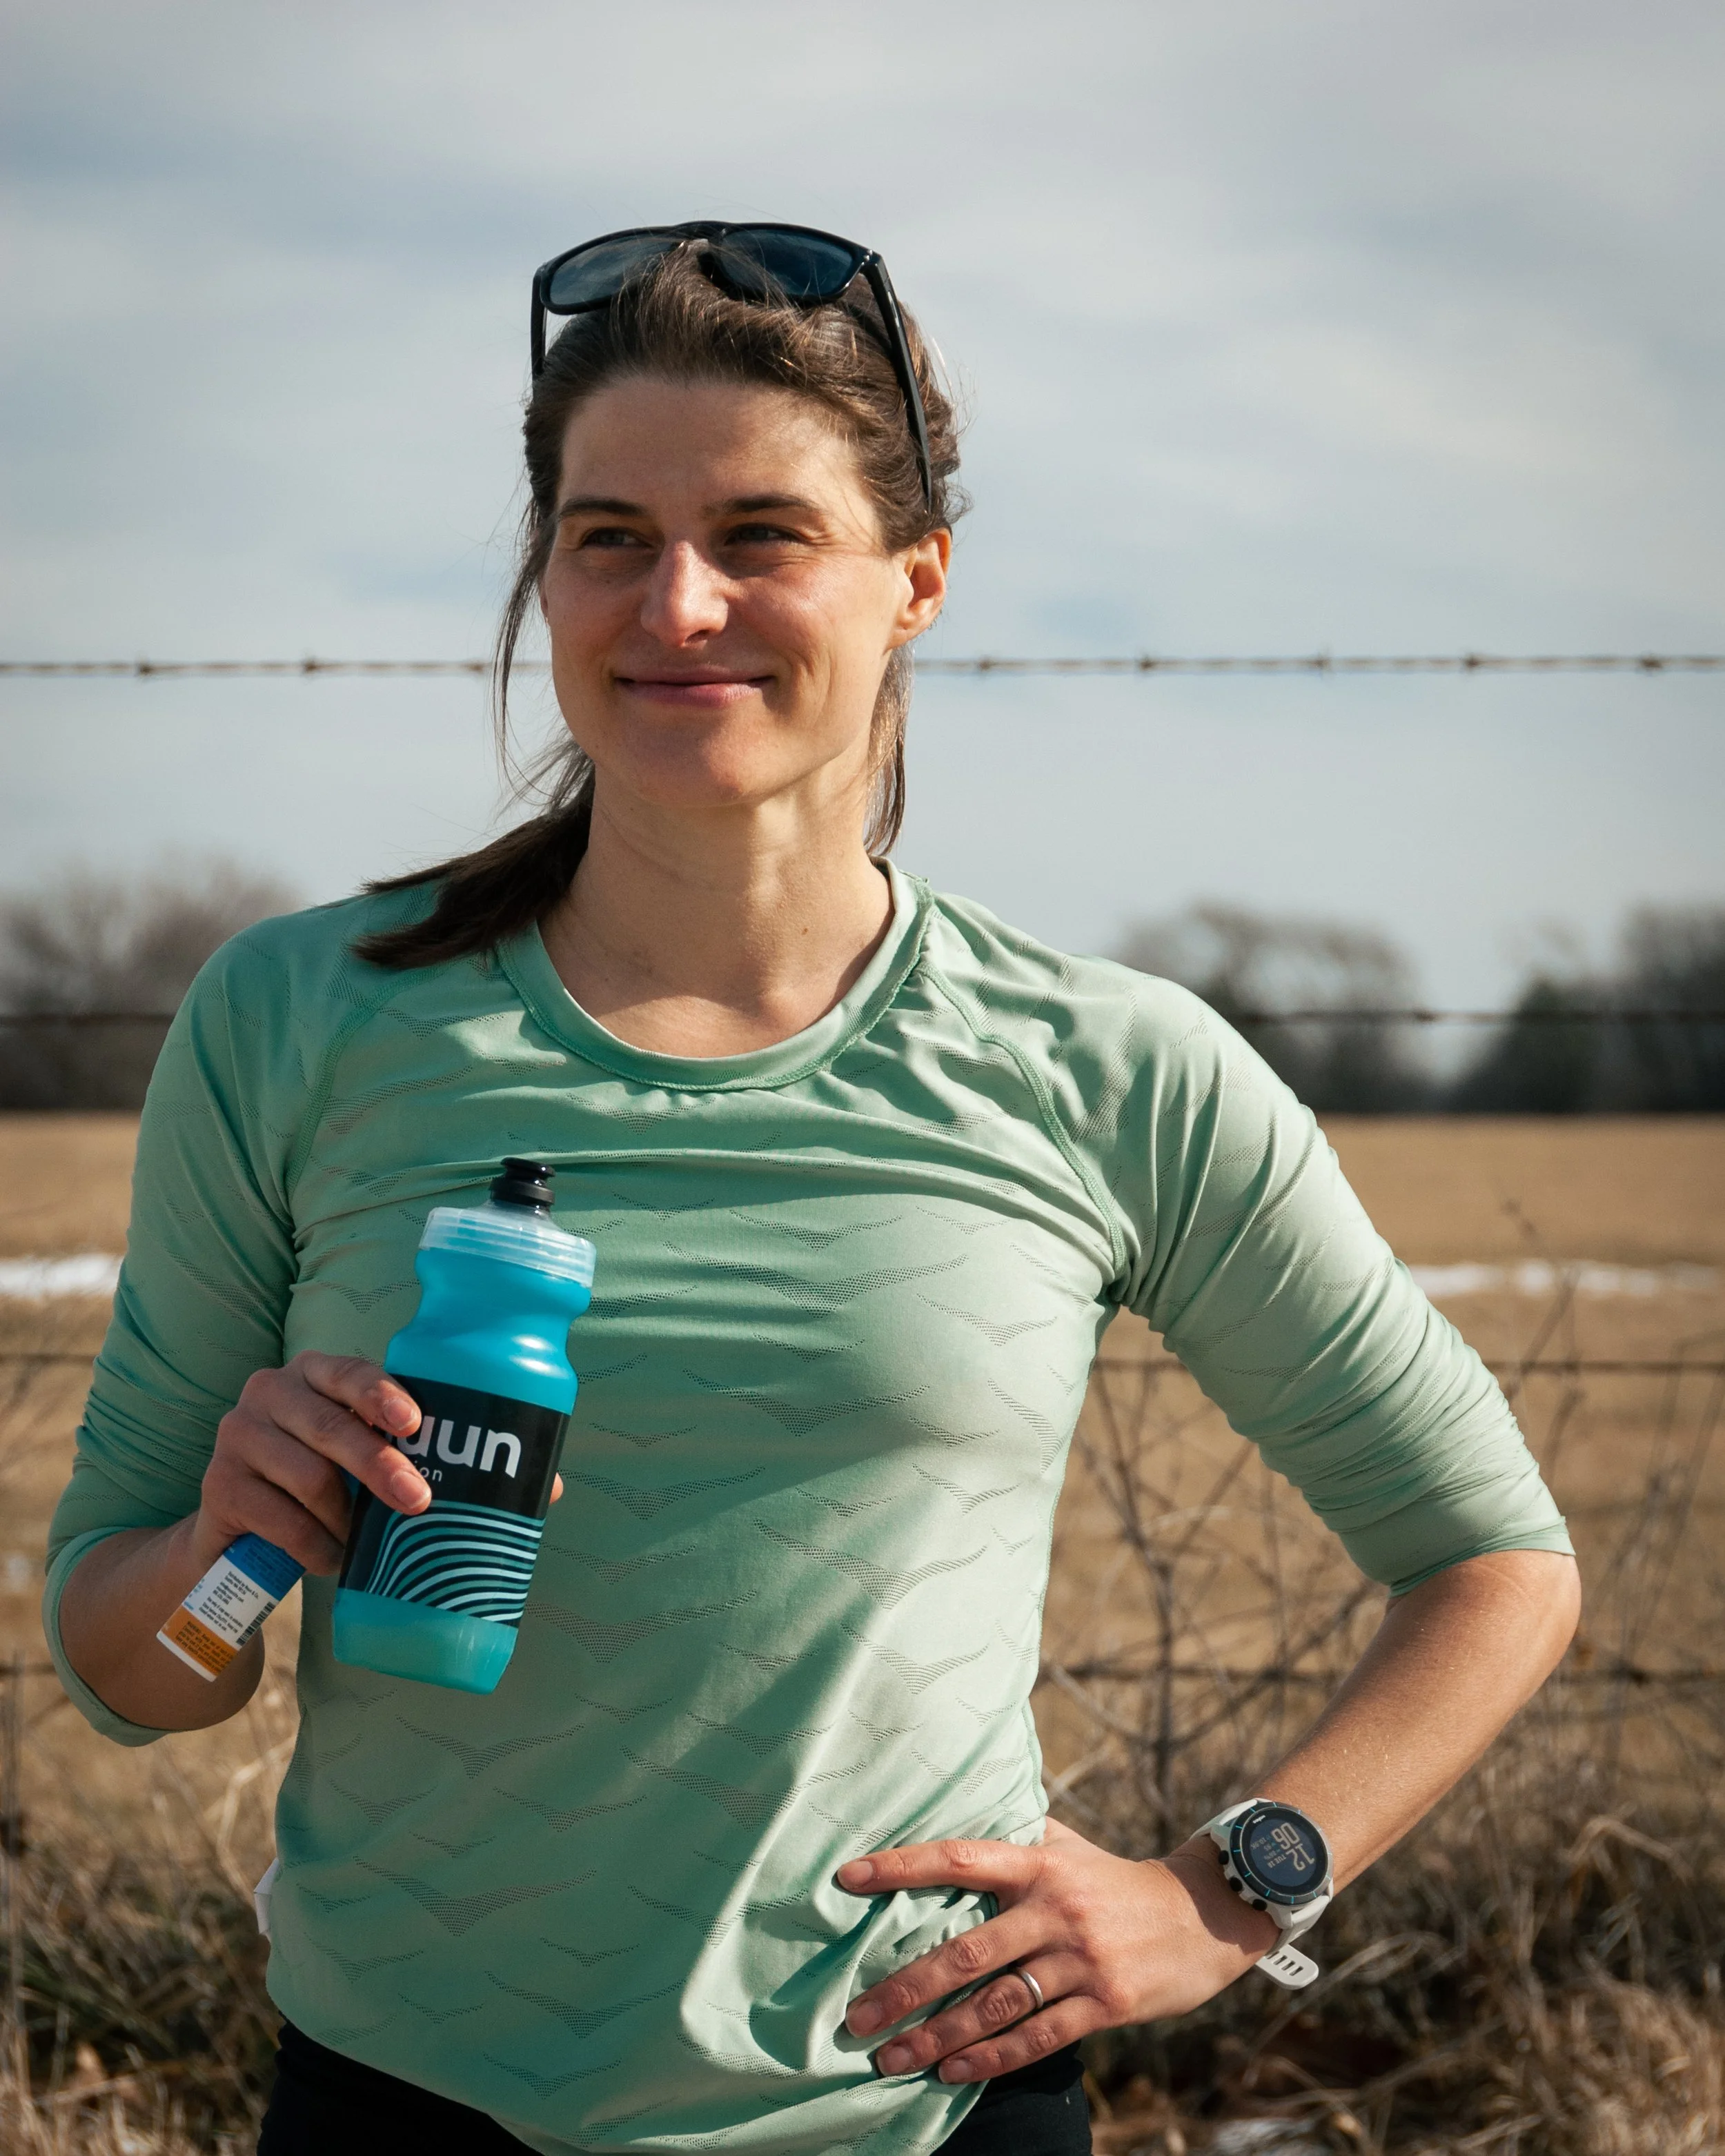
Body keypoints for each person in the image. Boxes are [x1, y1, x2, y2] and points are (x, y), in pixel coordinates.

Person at [46, 224, 1579, 2156]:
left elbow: (1497, 1562)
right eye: (607, 534)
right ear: (547, 575)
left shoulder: (1106, 1068)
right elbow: (127, 1668)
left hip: (922, 2111)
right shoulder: (302, 1017)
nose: (676, 602)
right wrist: (213, 1541)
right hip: (402, 2099)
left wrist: (1227, 1889)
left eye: (760, 532)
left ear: (914, 578)